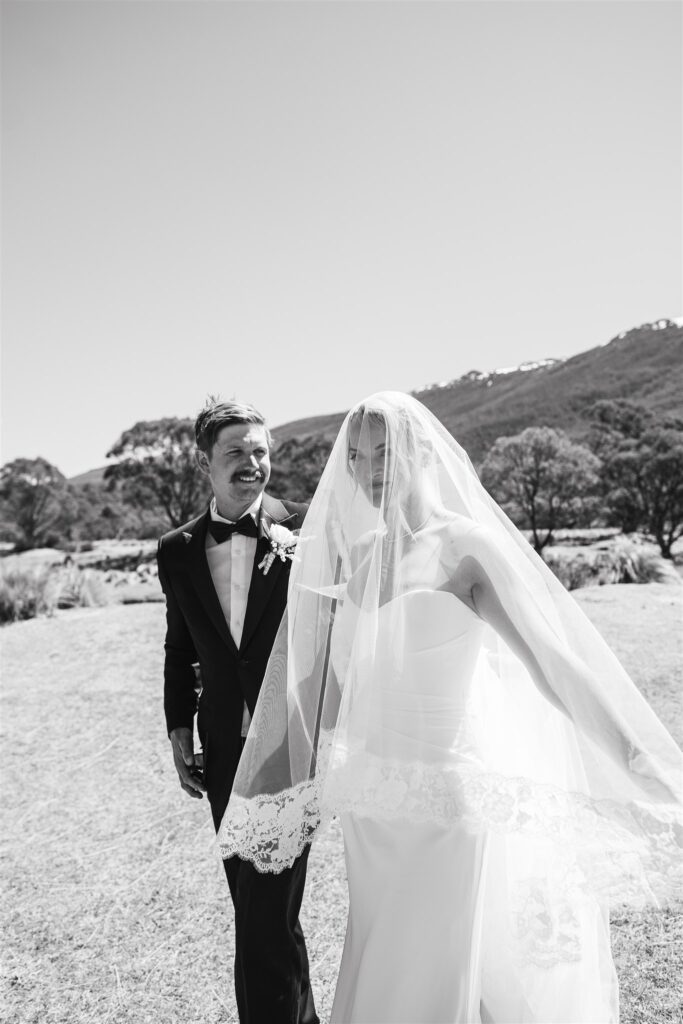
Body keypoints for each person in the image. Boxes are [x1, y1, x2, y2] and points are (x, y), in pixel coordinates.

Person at [217, 391, 682, 1024]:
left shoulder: (467, 547)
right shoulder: (359, 562)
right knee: (385, 971)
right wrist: (269, 764)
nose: (370, 466)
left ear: (423, 452)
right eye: (356, 455)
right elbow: (328, 701)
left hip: (449, 807)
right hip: (372, 815)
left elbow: (553, 664)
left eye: (385, 451)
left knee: (445, 977)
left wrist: (634, 752)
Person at [156, 399, 318, 1024]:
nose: (252, 465)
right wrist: (178, 728)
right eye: (236, 454)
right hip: (222, 747)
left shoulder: (306, 527)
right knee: (259, 906)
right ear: (206, 464)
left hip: (290, 741)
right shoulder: (176, 550)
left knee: (264, 906)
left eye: (260, 452)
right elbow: (179, 647)